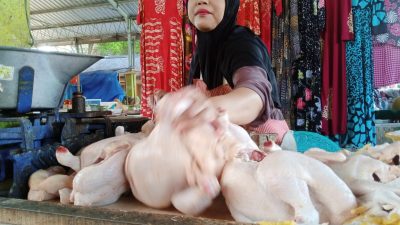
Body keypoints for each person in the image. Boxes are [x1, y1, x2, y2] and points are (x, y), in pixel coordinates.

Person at [174, 0, 294, 148]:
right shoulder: (200, 55)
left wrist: (197, 111)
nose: (201, 1)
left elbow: (253, 98)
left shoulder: (243, 43)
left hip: (267, 153)